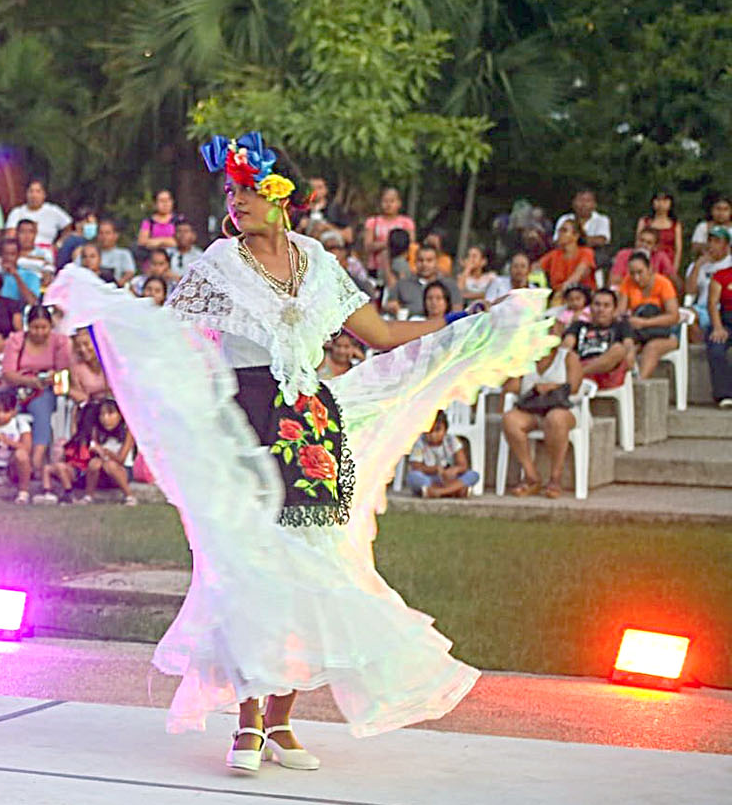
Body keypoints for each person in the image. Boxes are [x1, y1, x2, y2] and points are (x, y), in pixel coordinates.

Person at [45, 129, 554, 770]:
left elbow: (381, 333)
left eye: (249, 191)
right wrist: (111, 315)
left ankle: (283, 724)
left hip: (312, 430)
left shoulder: (317, 260)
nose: (238, 203)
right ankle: (247, 723)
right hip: (247, 428)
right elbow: (172, 340)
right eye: (231, 193)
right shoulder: (217, 266)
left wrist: (461, 325)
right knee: (252, 572)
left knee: (311, 572)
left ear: (281, 196)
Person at [501, 329, 581, 499]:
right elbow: (511, 388)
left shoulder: (568, 358)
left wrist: (551, 387)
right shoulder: (525, 359)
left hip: (563, 409)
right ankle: (531, 477)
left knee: (555, 418)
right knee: (510, 419)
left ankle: (555, 478)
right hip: (532, 409)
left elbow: (574, 387)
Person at [0, 305, 72, 477]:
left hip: (45, 389)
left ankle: (36, 460)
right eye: (35, 328)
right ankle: (7, 459)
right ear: (28, 326)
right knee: (4, 407)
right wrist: (30, 381)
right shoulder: (16, 340)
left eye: (43, 328)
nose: (39, 332)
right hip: (17, 386)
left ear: (50, 326)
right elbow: (8, 373)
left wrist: (49, 379)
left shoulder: (59, 342)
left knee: (41, 409)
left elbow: (64, 371)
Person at [618, 250, 681, 379]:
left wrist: (645, 323)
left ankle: (640, 381)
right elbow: (620, 311)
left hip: (664, 333)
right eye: (632, 273)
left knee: (652, 348)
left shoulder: (663, 283)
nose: (636, 278)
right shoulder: (627, 282)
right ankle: (624, 381)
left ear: (650, 269)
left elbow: (674, 316)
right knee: (626, 345)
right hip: (639, 333)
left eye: (640, 272)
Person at [565, 288, 635, 391]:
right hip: (581, 369)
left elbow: (628, 348)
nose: (601, 309)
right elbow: (566, 346)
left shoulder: (621, 326)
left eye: (606, 306)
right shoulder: (578, 326)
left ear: (614, 310)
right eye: (597, 304)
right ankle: (577, 374)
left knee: (619, 349)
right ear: (590, 307)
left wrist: (630, 355)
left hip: (607, 373)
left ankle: (578, 374)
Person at [404, 411, 478, 498]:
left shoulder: (452, 440)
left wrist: (454, 470)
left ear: (445, 430)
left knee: (473, 475)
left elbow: (463, 465)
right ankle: (454, 491)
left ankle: (438, 492)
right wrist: (435, 469)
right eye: (429, 431)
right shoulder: (420, 443)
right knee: (413, 477)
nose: (433, 435)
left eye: (437, 430)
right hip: (430, 477)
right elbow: (416, 466)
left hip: (450, 478)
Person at [79, 396, 137, 505]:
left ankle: (129, 496)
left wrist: (104, 451)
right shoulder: (97, 430)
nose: (106, 419)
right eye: (102, 415)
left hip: (121, 471)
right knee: (94, 463)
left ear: (120, 415)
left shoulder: (128, 431)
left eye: (110, 414)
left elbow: (121, 459)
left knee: (110, 465)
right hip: (102, 473)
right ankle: (88, 496)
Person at [7, 179, 73, 265]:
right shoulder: (17, 212)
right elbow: (10, 235)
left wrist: (58, 245)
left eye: (38, 191)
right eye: (31, 191)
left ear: (44, 195)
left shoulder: (53, 211)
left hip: (47, 253)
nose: (34, 195)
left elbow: (68, 227)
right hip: (22, 253)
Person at [383, 245, 460, 317]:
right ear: (415, 262)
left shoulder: (449, 285)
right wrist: (392, 307)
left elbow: (457, 310)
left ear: (436, 262)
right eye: (420, 260)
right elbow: (389, 305)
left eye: (429, 260)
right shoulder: (402, 284)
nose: (424, 264)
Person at [360, 186, 413, 281]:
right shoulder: (373, 222)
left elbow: (411, 244)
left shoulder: (406, 223)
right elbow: (367, 246)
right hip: (376, 267)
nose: (388, 205)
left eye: (392, 201)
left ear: (399, 203)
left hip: (400, 266)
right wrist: (390, 244)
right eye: (385, 201)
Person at [686, 226, 732, 334]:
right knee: (687, 315)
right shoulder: (697, 265)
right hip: (702, 308)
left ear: (726, 246)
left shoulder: (730, 263)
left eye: (717, 241)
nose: (712, 245)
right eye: (710, 241)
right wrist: (697, 266)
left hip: (724, 308)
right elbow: (690, 291)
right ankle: (702, 344)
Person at [536, 216, 597, 295]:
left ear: (575, 236)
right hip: (557, 296)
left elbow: (576, 277)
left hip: (582, 296)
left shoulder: (586, 253)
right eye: (559, 231)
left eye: (564, 231)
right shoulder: (554, 255)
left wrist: (560, 293)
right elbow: (536, 268)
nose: (559, 234)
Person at [553, 189, 612, 269]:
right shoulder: (564, 219)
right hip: (566, 256)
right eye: (580, 200)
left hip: (593, 259)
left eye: (587, 201)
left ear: (594, 204)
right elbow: (557, 241)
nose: (583, 204)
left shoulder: (602, 220)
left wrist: (572, 240)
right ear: (573, 203)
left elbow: (601, 240)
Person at [636, 192, 682, 276]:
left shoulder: (675, 224)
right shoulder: (644, 221)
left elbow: (678, 249)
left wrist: (674, 270)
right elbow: (638, 243)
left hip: (668, 263)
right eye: (658, 200)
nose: (661, 204)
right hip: (648, 260)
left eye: (665, 200)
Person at [705, 266, 732, 408]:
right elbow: (712, 303)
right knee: (716, 347)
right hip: (726, 321)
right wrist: (717, 327)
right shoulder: (721, 276)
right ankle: (725, 394)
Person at [88, 218, 136, 286]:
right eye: (101, 233)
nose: (104, 237)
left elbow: (129, 273)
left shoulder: (123, 254)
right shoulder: (89, 253)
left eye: (107, 233)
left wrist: (118, 285)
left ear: (115, 235)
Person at [67, 327, 108, 403]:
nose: (82, 349)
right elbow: (79, 394)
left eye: (86, 344)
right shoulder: (76, 368)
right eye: (78, 346)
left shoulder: (109, 362)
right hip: (91, 407)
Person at [0, 236, 40, 305]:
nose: (8, 258)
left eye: (12, 254)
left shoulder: (30, 276)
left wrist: (16, 276)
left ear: (18, 255)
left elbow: (32, 302)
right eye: (5, 253)